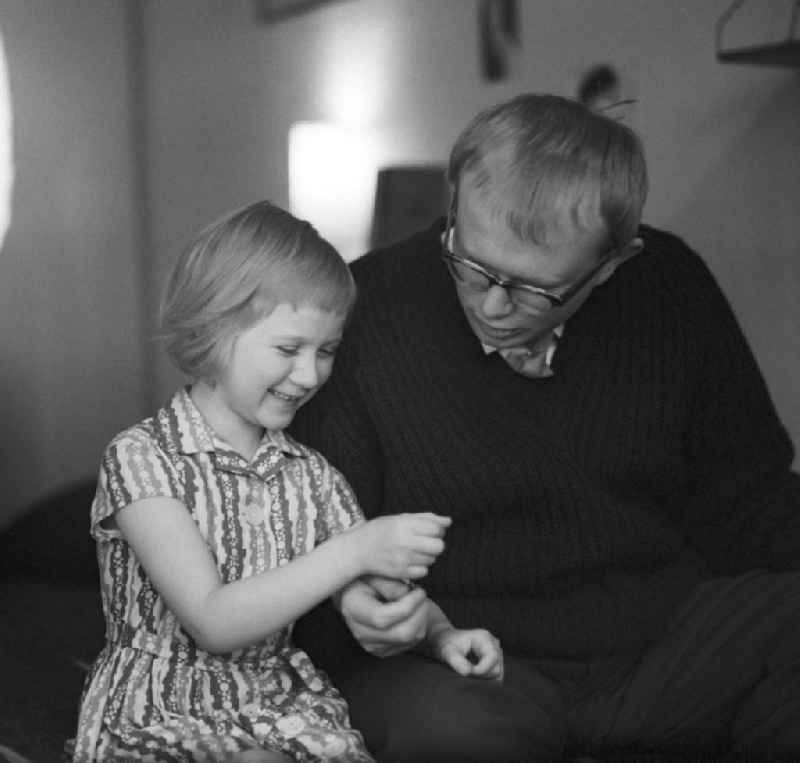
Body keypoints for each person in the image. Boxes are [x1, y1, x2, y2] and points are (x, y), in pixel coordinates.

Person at [290, 94, 800, 762]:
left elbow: (749, 497)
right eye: (470, 264)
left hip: (663, 641)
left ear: (613, 262)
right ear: (455, 199)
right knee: (442, 732)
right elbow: (310, 528)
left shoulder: (670, 286)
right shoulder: (366, 308)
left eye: (534, 289)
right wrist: (350, 599)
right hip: (463, 660)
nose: (493, 305)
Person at [71, 201, 502, 762]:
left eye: (327, 351)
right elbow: (214, 621)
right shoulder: (141, 458)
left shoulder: (312, 474)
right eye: (288, 348)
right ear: (211, 329)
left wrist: (441, 635)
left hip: (280, 708)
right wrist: (350, 552)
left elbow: (377, 586)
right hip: (163, 711)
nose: (310, 375)